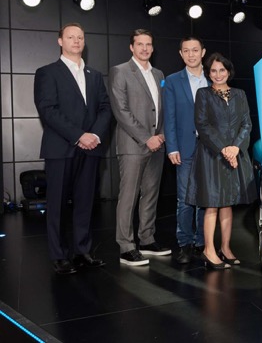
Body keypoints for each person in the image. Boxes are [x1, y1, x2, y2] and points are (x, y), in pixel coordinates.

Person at [33, 23, 111, 275]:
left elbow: (105, 108)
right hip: (61, 148)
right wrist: (79, 136)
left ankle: (81, 251)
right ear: (60, 41)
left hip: (91, 148)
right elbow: (48, 110)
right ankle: (59, 256)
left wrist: (94, 135)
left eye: (80, 37)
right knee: (56, 205)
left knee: (85, 202)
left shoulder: (95, 75)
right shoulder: (47, 72)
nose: (76, 41)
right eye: (70, 37)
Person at [186, 53, 255, 269]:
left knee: (228, 203)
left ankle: (225, 248)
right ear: (208, 73)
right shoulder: (203, 94)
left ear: (228, 71)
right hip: (212, 155)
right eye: (213, 71)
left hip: (234, 153)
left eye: (222, 70)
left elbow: (246, 124)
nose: (218, 75)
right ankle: (208, 250)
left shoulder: (240, 94)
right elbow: (202, 125)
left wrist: (235, 147)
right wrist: (224, 149)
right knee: (213, 203)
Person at [109, 29, 170, 266]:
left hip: (158, 144)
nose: (145, 48)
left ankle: (147, 239)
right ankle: (126, 246)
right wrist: (146, 138)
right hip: (133, 144)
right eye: (140, 44)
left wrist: (161, 134)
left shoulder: (159, 74)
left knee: (151, 195)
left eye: (148, 44)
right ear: (131, 47)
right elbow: (121, 111)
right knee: (129, 196)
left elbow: (163, 108)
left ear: (153, 48)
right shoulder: (120, 71)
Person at [163, 36, 209, 264]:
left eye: (195, 50)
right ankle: (185, 243)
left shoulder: (213, 78)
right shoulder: (172, 81)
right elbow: (169, 117)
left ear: (203, 52)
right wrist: (171, 147)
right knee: (185, 199)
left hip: (210, 150)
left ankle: (202, 242)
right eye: (186, 51)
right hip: (184, 147)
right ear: (181, 54)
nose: (191, 54)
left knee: (206, 198)